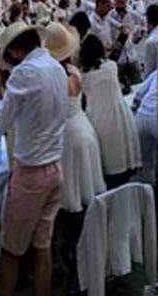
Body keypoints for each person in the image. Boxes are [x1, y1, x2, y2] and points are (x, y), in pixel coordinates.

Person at [0, 21, 67, 296]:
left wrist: (0, 91)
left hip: (31, 172)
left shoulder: (24, 73)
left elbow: (1, 125)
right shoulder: (57, 68)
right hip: (55, 166)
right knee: (42, 248)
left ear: (15, 51)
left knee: (11, 250)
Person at [42, 23, 105, 214]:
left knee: (70, 188)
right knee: (86, 182)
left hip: (66, 134)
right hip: (84, 127)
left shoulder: (52, 77)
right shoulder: (74, 70)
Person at [79, 34, 142, 189]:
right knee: (123, 158)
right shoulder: (111, 67)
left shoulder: (83, 77)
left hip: (98, 119)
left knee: (107, 166)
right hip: (119, 117)